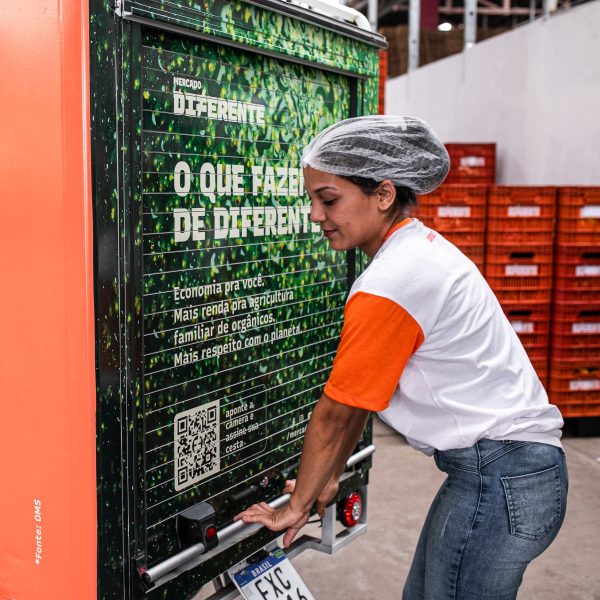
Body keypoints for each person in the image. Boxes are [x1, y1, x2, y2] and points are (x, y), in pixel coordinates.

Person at [235, 115, 568, 599]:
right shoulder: (417, 253)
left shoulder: (394, 281)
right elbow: (359, 399)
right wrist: (324, 481)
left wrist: (297, 505)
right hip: (507, 473)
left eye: (328, 199)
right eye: (312, 199)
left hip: (499, 477)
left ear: (384, 194)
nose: (315, 215)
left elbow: (335, 415)